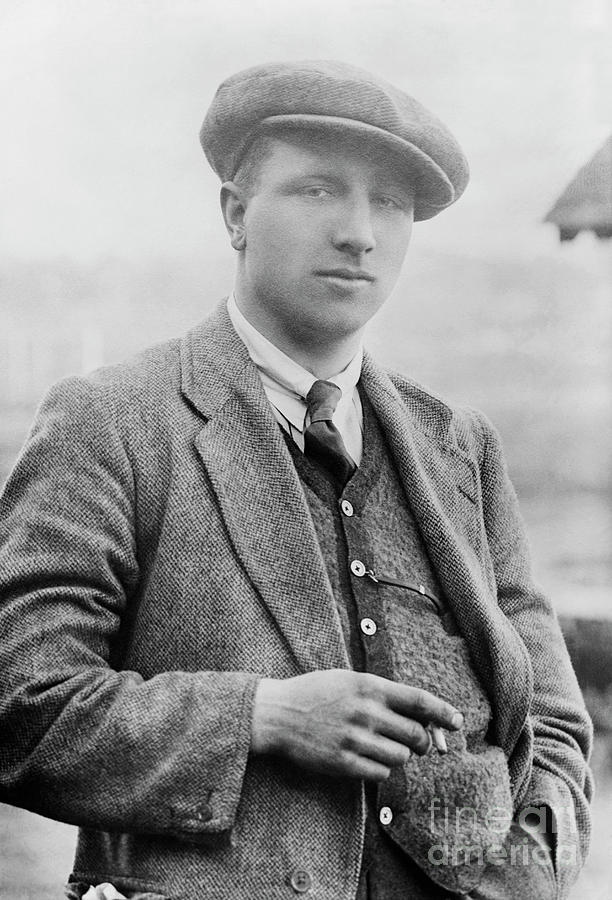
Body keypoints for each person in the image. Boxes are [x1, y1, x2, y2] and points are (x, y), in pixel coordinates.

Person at [0, 60, 593, 900]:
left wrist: (523, 877)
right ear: (236, 214)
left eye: (390, 202)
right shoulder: (114, 421)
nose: (361, 232)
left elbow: (556, 730)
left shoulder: (459, 447)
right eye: (318, 190)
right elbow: (20, 704)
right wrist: (261, 718)